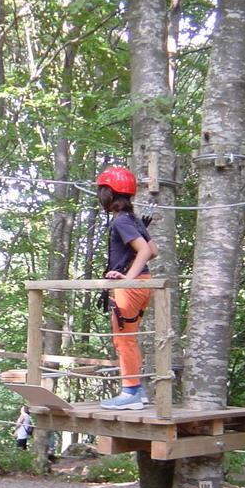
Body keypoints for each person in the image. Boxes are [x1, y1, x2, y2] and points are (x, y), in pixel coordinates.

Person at [96, 166, 158, 410]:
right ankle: (137, 391)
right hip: (142, 286)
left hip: (132, 288)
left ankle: (130, 391)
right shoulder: (132, 219)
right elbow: (153, 250)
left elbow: (144, 251)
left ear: (110, 194)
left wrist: (126, 279)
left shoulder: (122, 221)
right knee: (129, 339)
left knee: (124, 341)